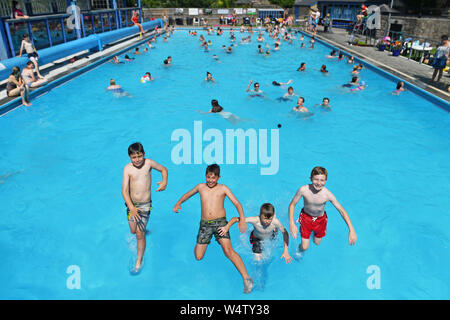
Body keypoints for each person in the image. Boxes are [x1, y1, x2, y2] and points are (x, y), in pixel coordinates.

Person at [172, 164, 253, 294]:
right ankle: (200, 240)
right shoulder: (200, 187)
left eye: (213, 178)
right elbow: (187, 194)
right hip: (205, 225)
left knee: (228, 251)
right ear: (205, 176)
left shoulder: (223, 188)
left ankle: (247, 278)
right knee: (198, 256)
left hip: (221, 223)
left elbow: (237, 203)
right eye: (208, 177)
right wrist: (178, 203)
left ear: (218, 177)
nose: (210, 180)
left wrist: (242, 219)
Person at [122, 142, 168, 274]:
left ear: (144, 154)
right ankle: (141, 232)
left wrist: (164, 181)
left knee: (139, 234)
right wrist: (131, 207)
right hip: (131, 205)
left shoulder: (148, 163)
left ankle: (139, 260)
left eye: (140, 156)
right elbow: (124, 191)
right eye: (134, 157)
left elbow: (164, 169)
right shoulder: (127, 169)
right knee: (132, 231)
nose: (137, 160)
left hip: (145, 206)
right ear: (130, 157)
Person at [288, 166, 357, 254]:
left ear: (326, 181)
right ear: (310, 178)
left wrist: (351, 229)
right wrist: (291, 223)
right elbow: (292, 204)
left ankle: (312, 233)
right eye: (316, 179)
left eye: (322, 180)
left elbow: (341, 210)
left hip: (320, 221)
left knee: (317, 243)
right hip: (306, 218)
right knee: (305, 247)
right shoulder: (303, 190)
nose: (319, 183)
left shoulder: (327, 195)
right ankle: (298, 251)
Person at [219, 203, 292, 263]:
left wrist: (286, 251)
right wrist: (226, 227)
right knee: (258, 259)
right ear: (260, 215)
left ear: (273, 217)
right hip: (257, 239)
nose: (267, 221)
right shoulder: (255, 220)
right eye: (265, 218)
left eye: (270, 219)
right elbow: (236, 219)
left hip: (271, 235)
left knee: (275, 231)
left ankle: (275, 229)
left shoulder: (275, 222)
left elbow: (285, 233)